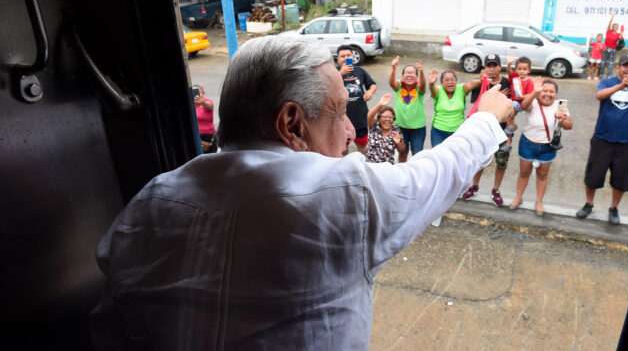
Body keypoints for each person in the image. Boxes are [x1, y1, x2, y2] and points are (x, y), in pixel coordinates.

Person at [90, 36, 514, 350]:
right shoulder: (340, 195)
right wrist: (487, 119)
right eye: (338, 113)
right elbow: (434, 176)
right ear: (292, 124)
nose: (351, 130)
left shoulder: (149, 203)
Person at [577, 52, 628, 225]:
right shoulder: (608, 82)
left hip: (627, 142)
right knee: (593, 175)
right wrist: (621, 85)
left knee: (621, 179)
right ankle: (589, 204)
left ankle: (614, 208)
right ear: (619, 68)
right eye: (626, 66)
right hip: (602, 138)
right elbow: (600, 95)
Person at [508, 77, 573, 217]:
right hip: (528, 144)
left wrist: (563, 120)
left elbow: (569, 126)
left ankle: (539, 202)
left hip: (548, 146)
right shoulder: (534, 102)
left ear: (556, 94)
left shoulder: (560, 105)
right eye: (544, 91)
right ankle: (518, 198)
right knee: (524, 172)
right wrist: (534, 92)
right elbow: (524, 106)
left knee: (543, 175)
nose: (548, 94)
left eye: (552, 91)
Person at [461, 54, 512, 208]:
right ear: (484, 68)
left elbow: (510, 109)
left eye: (494, 65)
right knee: (480, 161)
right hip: (484, 130)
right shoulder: (481, 84)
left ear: (499, 67)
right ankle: (474, 186)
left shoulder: (506, 82)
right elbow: (478, 106)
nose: (491, 69)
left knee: (501, 162)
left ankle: (496, 190)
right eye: (488, 66)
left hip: (502, 130)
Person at [337, 45, 377, 154]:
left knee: (362, 149)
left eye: (348, 55)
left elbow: (373, 84)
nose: (346, 58)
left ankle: (361, 169)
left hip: (360, 119)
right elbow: (326, 88)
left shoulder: (359, 70)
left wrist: (370, 92)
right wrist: (340, 73)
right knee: (343, 150)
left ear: (352, 57)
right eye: (342, 56)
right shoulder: (334, 73)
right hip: (341, 121)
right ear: (338, 59)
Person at [427, 69, 482, 146]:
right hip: (439, 132)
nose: (450, 82)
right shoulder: (438, 90)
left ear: (456, 81)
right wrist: (431, 84)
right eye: (446, 80)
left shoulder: (461, 89)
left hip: (458, 132)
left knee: (458, 156)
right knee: (439, 156)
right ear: (442, 83)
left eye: (452, 79)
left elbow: (472, 83)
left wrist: (483, 79)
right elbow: (433, 90)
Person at [388, 56, 427, 163]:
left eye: (413, 72)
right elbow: (391, 82)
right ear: (402, 76)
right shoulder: (399, 86)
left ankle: (415, 176)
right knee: (402, 152)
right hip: (400, 127)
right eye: (407, 72)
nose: (409, 74)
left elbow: (423, 85)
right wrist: (393, 68)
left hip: (418, 128)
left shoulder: (419, 88)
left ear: (417, 77)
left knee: (417, 155)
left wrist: (422, 72)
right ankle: (403, 175)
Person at [505, 56, 535, 150]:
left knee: (510, 113)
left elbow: (530, 94)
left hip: (521, 103)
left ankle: (511, 125)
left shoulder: (529, 81)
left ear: (529, 70)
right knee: (508, 117)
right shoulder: (515, 77)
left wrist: (522, 97)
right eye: (519, 69)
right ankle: (508, 137)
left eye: (524, 69)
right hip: (513, 102)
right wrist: (509, 63)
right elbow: (509, 71)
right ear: (516, 69)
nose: (522, 71)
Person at [365, 93, 405, 164]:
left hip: (387, 168)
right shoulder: (374, 126)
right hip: (371, 167)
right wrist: (380, 104)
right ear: (379, 119)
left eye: (390, 117)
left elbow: (402, 150)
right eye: (384, 117)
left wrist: (398, 143)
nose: (387, 119)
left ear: (393, 119)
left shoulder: (396, 130)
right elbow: (369, 116)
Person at [193, 85, 217, 153]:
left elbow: (209, 106)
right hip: (197, 136)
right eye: (193, 93)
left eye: (198, 92)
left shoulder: (208, 102)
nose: (196, 95)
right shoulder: (190, 104)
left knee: (211, 157)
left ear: (203, 94)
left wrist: (202, 102)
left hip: (208, 136)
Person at [601, 10, 624, 78]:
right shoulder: (608, 31)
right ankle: (600, 74)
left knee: (611, 63)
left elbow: (621, 40)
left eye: (617, 26)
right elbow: (609, 24)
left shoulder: (619, 34)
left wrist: (621, 37)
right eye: (614, 26)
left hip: (613, 50)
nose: (615, 27)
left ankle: (609, 76)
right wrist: (612, 16)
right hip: (606, 48)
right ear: (612, 27)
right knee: (603, 62)